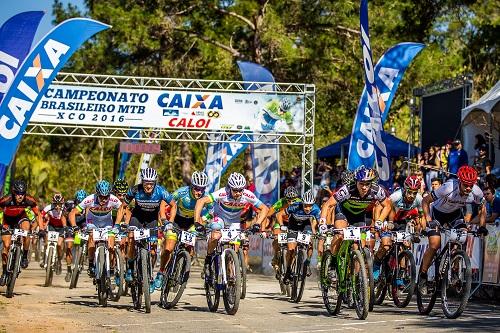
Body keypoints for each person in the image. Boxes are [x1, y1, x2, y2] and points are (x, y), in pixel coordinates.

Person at [419, 165, 488, 293]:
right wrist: (429, 220)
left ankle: (455, 266)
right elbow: (425, 201)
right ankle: (423, 275)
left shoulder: (476, 191)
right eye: (465, 185)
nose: (468, 188)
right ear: (460, 182)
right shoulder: (448, 187)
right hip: (437, 214)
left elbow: (482, 206)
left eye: (470, 185)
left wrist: (482, 226)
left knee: (461, 238)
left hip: (455, 215)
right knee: (434, 245)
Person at [194, 172, 269, 276]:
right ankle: (208, 258)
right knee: (215, 236)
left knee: (236, 248)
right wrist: (197, 221)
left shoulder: (247, 194)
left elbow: (264, 208)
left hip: (234, 222)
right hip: (219, 218)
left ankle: (232, 275)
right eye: (235, 190)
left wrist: (257, 224)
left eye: (240, 190)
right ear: (229, 187)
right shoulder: (223, 192)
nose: (238, 193)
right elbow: (201, 201)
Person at [122, 167, 177, 293]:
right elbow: (123, 206)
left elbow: (174, 205)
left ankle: (149, 276)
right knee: (131, 238)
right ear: (142, 182)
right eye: (146, 183)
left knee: (152, 250)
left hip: (152, 219)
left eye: (151, 183)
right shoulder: (135, 190)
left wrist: (170, 222)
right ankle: (130, 267)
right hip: (137, 217)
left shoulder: (161, 191)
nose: (148, 186)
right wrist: (120, 224)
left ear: (155, 183)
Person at [319, 166, 392, 257]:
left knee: (360, 246)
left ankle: (357, 270)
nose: (364, 187)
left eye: (367, 184)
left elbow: (387, 206)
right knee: (340, 235)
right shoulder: (347, 189)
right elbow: (328, 204)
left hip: (359, 216)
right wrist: (322, 222)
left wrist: (380, 220)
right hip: (343, 213)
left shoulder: (377, 190)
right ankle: (332, 261)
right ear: (356, 181)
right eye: (361, 183)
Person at [153, 171, 208, 290]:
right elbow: (164, 202)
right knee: (168, 248)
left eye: (202, 189)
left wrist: (204, 219)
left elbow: (212, 210)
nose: (199, 192)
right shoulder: (182, 192)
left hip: (192, 223)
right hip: (178, 220)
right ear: (191, 186)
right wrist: (163, 218)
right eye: (196, 188)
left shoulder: (205, 196)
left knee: (189, 248)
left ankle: (183, 268)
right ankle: (161, 272)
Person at [69, 180, 125, 278]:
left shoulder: (113, 199)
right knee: (91, 237)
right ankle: (91, 264)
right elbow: (73, 213)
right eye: (101, 197)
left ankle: (111, 268)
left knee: (111, 243)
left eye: (106, 197)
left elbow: (124, 210)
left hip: (107, 223)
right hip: (92, 222)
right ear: (97, 194)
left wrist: (118, 224)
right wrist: (74, 226)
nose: (104, 200)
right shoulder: (89, 199)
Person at [374, 175, 423, 281]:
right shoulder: (396, 196)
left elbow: (422, 217)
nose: (411, 195)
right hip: (388, 220)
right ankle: (376, 264)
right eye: (409, 192)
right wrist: (379, 222)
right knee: (386, 246)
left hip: (401, 222)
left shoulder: (419, 199)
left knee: (404, 246)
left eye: (414, 193)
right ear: (404, 189)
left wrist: (420, 231)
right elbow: (380, 207)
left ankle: (401, 272)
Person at [0, 180, 42, 286]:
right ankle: (4, 272)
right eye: (18, 194)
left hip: (21, 218)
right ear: (14, 193)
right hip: (8, 221)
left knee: (26, 231)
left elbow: (38, 214)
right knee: (6, 246)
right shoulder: (6, 200)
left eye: (22, 194)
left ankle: (24, 255)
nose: (20, 196)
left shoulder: (29, 200)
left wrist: (41, 229)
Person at [277, 190, 320, 284]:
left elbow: (320, 221)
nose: (308, 208)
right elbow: (279, 214)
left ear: (313, 204)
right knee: (291, 249)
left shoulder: (316, 209)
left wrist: (321, 230)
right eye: (305, 205)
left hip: (305, 225)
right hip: (293, 225)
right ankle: (288, 270)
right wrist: (281, 225)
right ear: (302, 203)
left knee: (310, 242)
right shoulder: (295, 206)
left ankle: (307, 263)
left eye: (310, 205)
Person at [266, 186, 301, 270]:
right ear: (285, 198)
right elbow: (269, 213)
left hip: (294, 223)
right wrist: (268, 224)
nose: (291, 202)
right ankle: (275, 256)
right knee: (277, 237)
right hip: (281, 222)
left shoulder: (300, 202)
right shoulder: (281, 202)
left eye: (294, 200)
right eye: (289, 200)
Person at [40, 193, 71, 280]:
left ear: (62, 204)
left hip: (61, 227)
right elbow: (40, 216)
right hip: (52, 226)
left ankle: (59, 260)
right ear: (52, 203)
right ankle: (44, 258)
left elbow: (66, 219)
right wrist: (41, 228)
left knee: (59, 244)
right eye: (55, 204)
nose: (57, 206)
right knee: (46, 242)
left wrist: (66, 228)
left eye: (59, 204)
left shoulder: (64, 209)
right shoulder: (48, 208)